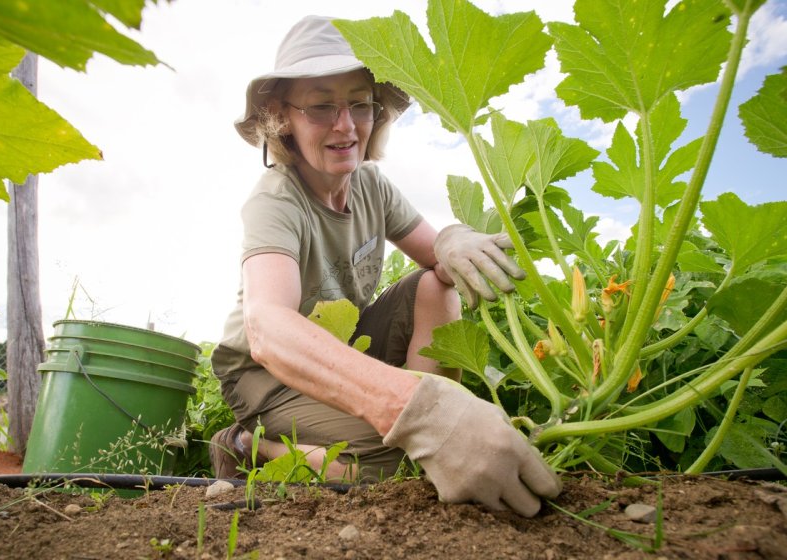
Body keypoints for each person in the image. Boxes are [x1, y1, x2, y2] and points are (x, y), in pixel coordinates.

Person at [210, 15, 561, 517]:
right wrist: (416, 415)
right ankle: (248, 443)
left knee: (437, 283)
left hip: (339, 344)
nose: (345, 125)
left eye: (359, 103)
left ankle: (432, 424)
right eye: (321, 106)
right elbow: (268, 328)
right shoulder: (276, 200)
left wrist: (454, 240)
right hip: (267, 374)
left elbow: (435, 257)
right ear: (280, 115)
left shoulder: (372, 186)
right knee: (392, 466)